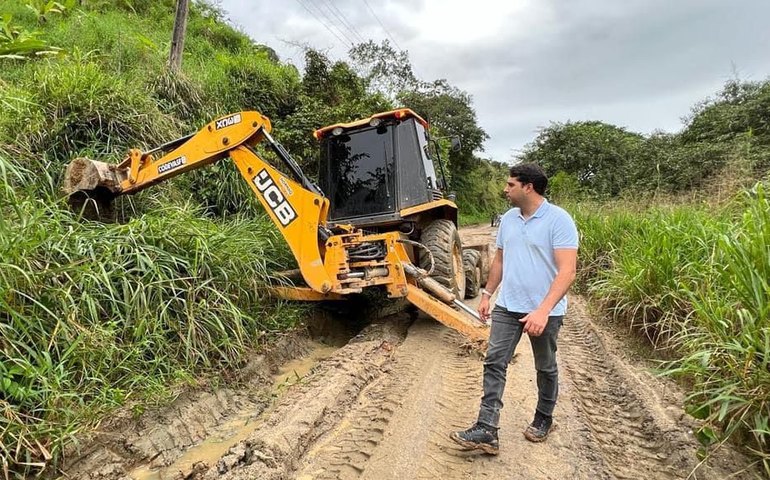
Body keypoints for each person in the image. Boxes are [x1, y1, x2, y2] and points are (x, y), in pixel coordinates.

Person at [450, 163, 578, 455]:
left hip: (545, 311)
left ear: (528, 187)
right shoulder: (508, 219)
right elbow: (500, 260)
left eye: (510, 185)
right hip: (508, 307)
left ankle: (544, 418)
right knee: (494, 362)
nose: (505, 189)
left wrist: (543, 310)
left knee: (545, 367)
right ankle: (486, 428)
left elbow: (567, 271)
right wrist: (487, 294)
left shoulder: (559, 220)